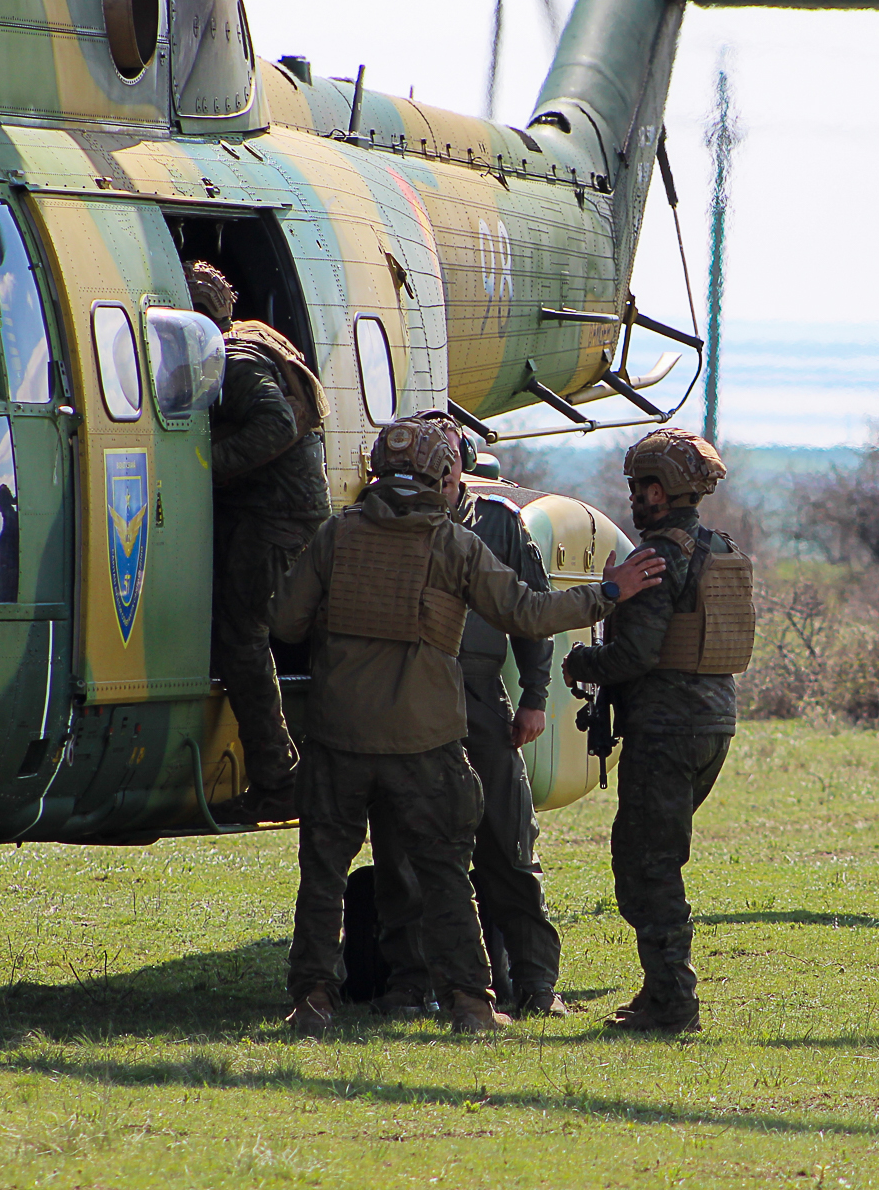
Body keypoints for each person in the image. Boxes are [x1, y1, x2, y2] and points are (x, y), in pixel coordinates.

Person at [270, 415, 665, 1036]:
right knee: (447, 874)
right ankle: (472, 1005)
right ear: (440, 476)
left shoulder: (336, 536)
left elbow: (286, 623)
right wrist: (608, 593)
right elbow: (529, 613)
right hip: (425, 746)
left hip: (337, 740)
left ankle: (313, 999)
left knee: (323, 874)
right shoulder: (453, 544)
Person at [371, 422, 570, 1018]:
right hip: (407, 695)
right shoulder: (383, 523)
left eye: (449, 467)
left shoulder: (501, 523)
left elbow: (532, 611)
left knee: (508, 840)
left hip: (481, 696)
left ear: (464, 468)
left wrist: (534, 696)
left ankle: (534, 983)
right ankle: (410, 981)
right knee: (401, 844)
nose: (441, 478)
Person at [562, 427, 753, 1034]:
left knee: (649, 864)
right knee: (654, 857)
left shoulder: (657, 560)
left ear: (661, 489)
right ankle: (659, 991)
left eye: (640, 488)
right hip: (712, 725)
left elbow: (634, 658)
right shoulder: (720, 548)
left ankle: (673, 1000)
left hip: (665, 730)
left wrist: (580, 663)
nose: (634, 499)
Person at [189, 261, 329, 824]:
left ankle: (277, 778)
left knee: (243, 637)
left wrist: (200, 468)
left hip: (275, 515)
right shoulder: (249, 343)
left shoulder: (237, 362)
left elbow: (274, 424)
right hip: (274, 511)